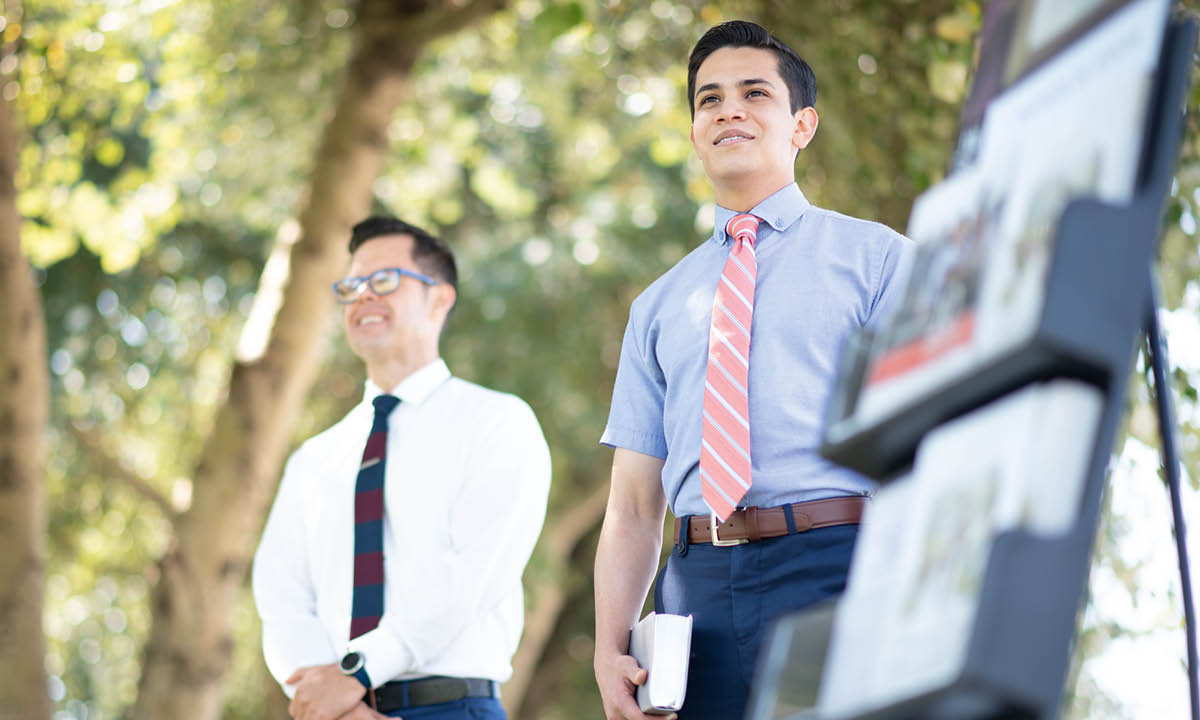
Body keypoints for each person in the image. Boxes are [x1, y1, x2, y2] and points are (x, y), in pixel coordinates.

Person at [593, 21, 914, 720]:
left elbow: (928, 445)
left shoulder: (880, 261)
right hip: (694, 595)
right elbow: (634, 507)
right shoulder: (657, 306)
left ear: (802, 125)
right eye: (709, 100)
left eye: (753, 93)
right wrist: (607, 646)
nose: (728, 110)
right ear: (694, 133)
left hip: (840, 565)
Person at [253, 216, 551, 720]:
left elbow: (473, 575)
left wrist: (358, 670)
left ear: (440, 299)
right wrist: (338, 702)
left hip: (453, 707)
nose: (364, 296)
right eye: (352, 285)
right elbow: (280, 597)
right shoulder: (315, 458)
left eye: (385, 281)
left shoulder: (497, 422)